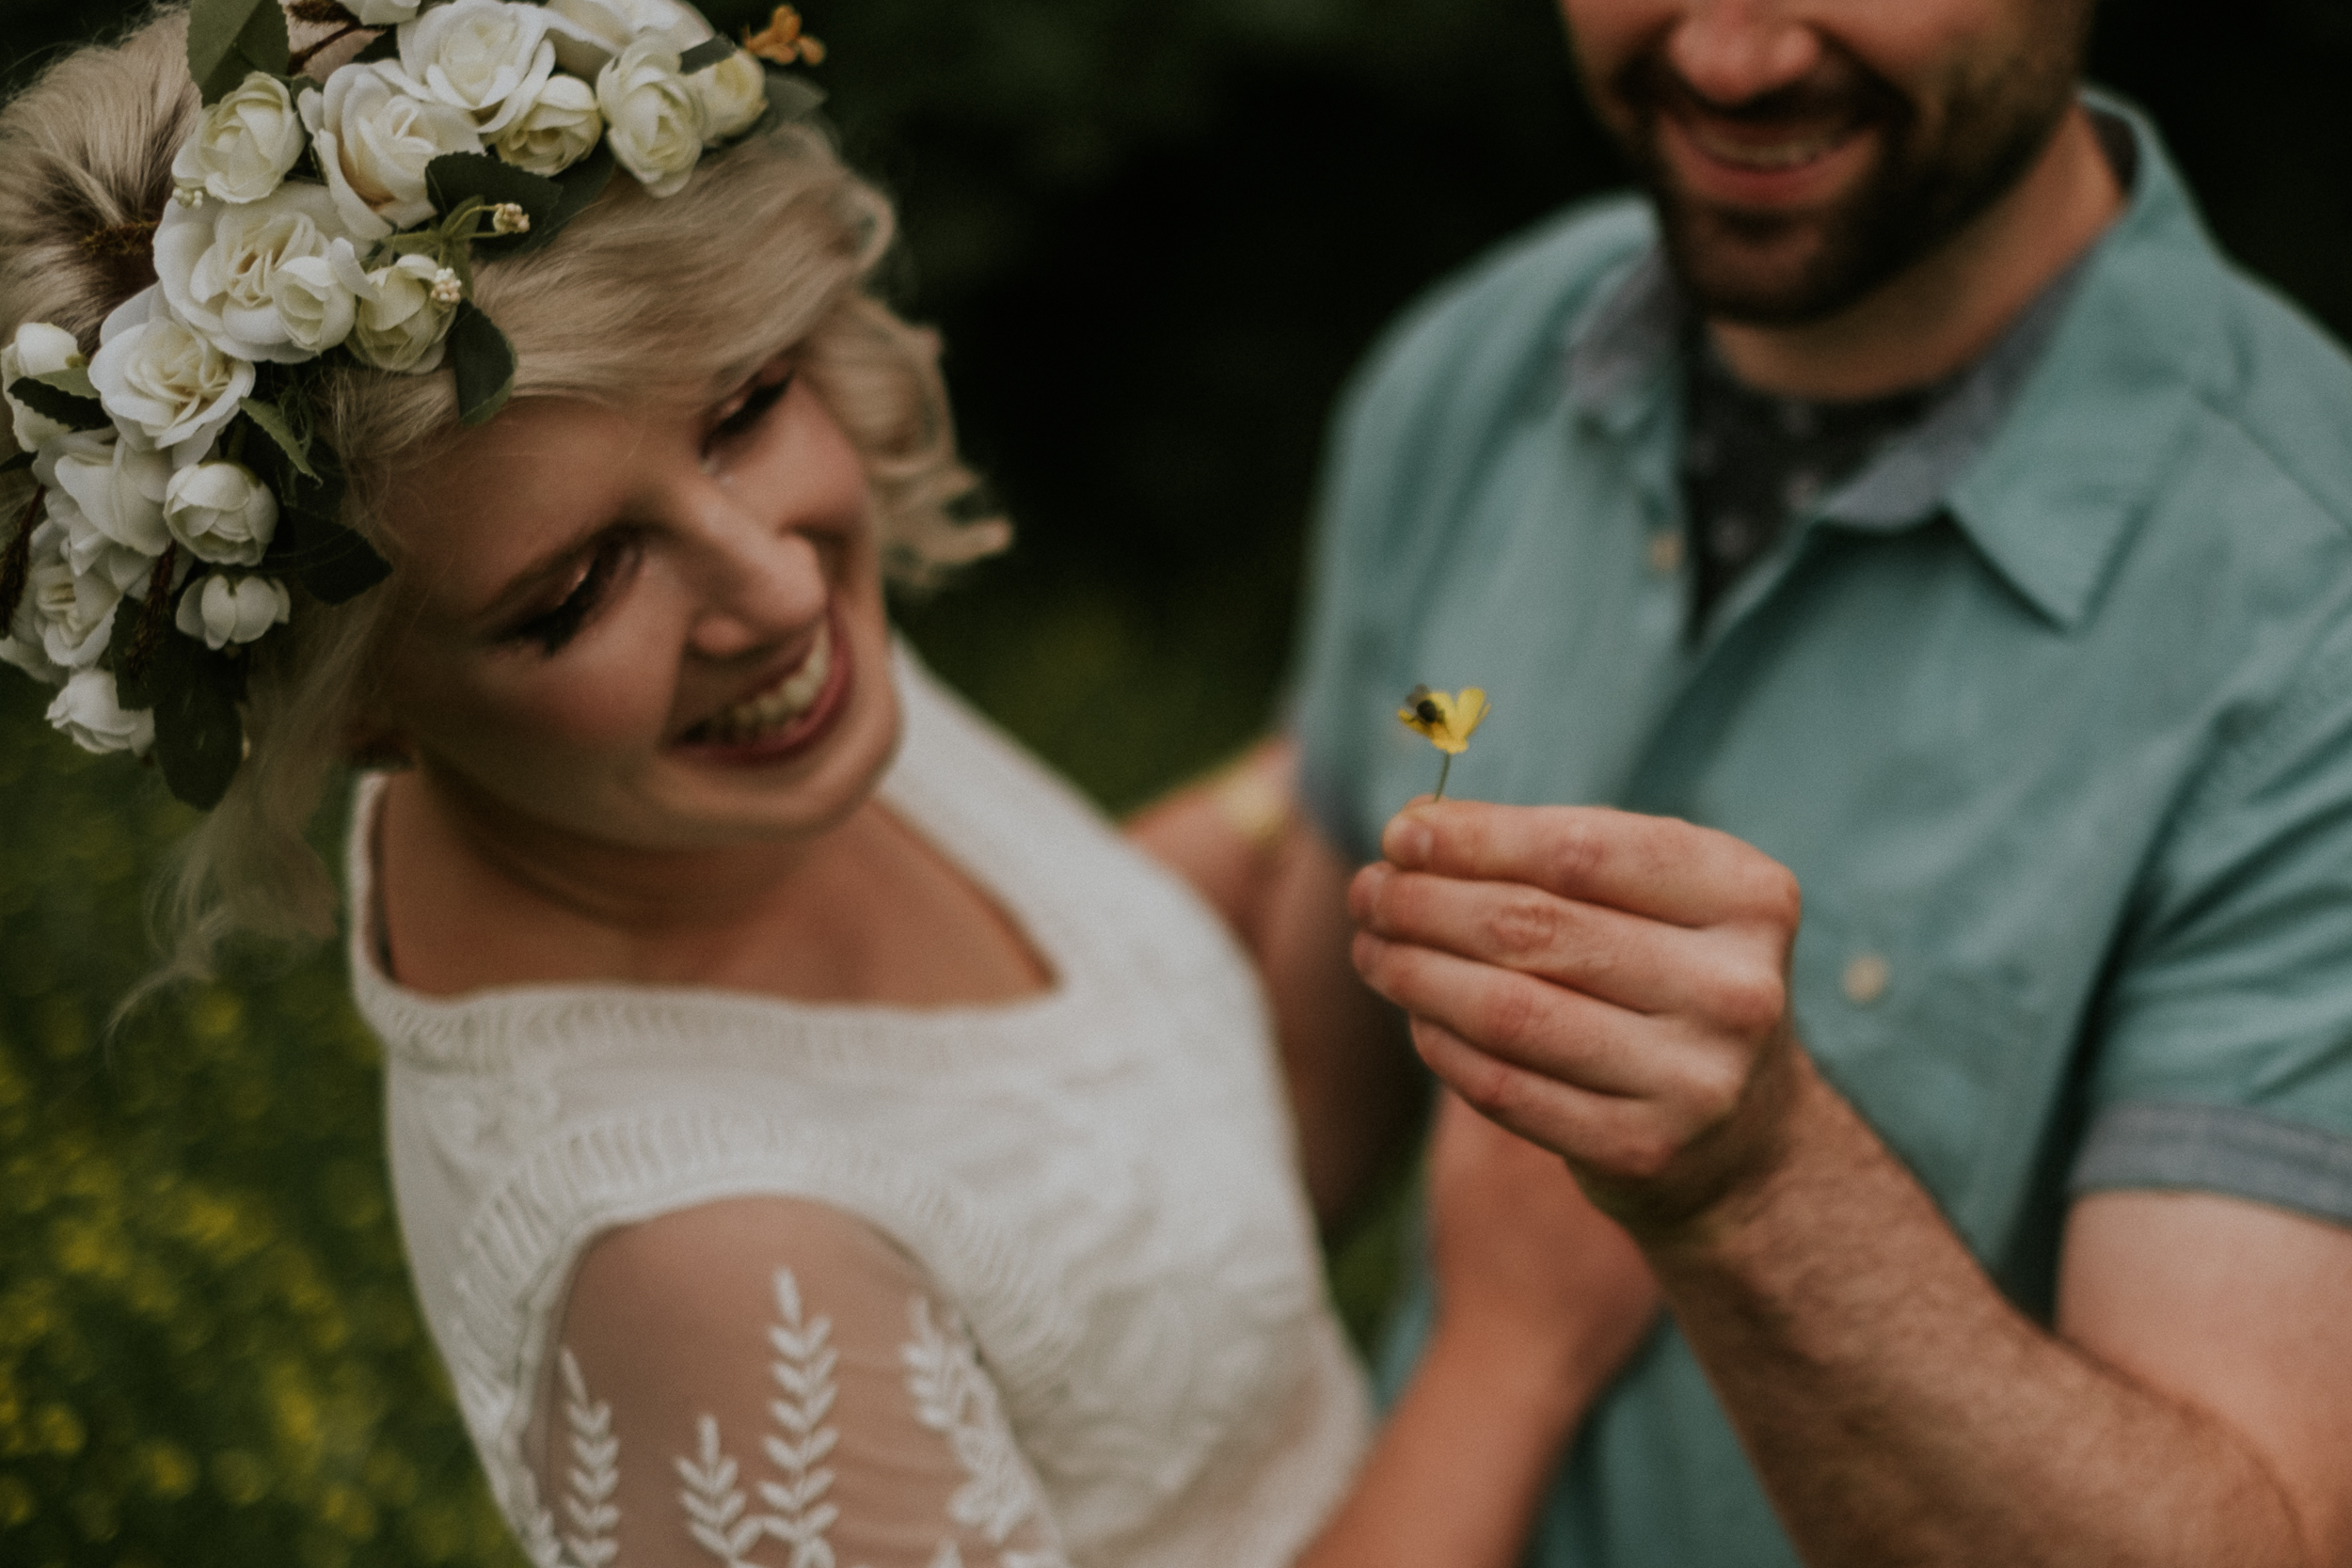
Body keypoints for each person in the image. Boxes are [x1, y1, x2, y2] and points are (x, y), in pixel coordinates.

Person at [0, 5, 1661, 1566]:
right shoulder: (714, 1277)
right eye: (578, 590)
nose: (776, 586)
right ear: (350, 715)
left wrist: (1297, 790)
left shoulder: (714, 757)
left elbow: (1008, 1075)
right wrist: (1512, 1345)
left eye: (744, 407)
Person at [1137, 0, 2352, 1563]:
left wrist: (1759, 1185)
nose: (1731, 59)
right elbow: (1288, 1121)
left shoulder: (2309, 624)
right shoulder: (1479, 364)